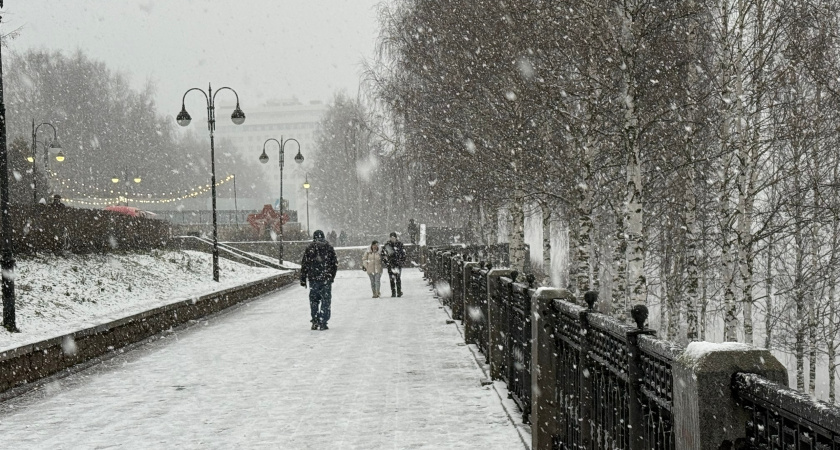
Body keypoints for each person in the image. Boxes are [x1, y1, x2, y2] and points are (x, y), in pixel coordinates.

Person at [300, 230, 338, 330]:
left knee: (314, 300)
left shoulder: (309, 248)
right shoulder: (329, 247)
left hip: (313, 279)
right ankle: (323, 321)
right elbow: (334, 264)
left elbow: (304, 264)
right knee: (326, 300)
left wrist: (303, 278)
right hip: (326, 278)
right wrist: (331, 276)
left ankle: (315, 320)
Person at [381, 231, 406, 297]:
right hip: (391, 264)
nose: (392, 239)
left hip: (397, 264)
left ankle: (398, 291)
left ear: (396, 238)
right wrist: (387, 262)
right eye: (391, 238)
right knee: (392, 279)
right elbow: (383, 255)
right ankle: (393, 292)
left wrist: (401, 261)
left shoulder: (399, 244)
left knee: (398, 278)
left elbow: (403, 254)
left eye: (393, 238)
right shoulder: (387, 245)